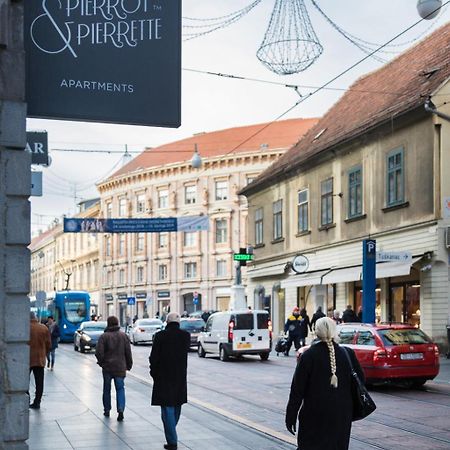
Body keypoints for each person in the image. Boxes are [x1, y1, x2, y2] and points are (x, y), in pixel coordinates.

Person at [285, 317, 364, 450]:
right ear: (335, 332)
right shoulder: (348, 354)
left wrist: (291, 416)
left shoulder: (309, 356)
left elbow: (297, 390)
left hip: (314, 415)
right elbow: (360, 381)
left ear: (316, 332)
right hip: (341, 415)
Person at [149, 312, 190, 450]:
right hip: (179, 376)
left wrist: (153, 373)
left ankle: (172, 441)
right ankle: (172, 431)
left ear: (166, 322)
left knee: (167, 409)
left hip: (163, 376)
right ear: (178, 323)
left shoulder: (160, 336)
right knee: (177, 405)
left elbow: (154, 357)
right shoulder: (185, 336)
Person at [95, 316, 133, 421]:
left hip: (107, 368)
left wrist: (101, 362)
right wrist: (129, 364)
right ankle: (120, 409)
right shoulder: (123, 336)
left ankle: (107, 409)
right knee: (120, 389)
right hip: (120, 367)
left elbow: (99, 352)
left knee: (107, 389)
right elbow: (128, 353)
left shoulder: (104, 336)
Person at [29, 312, 51, 409]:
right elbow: (48, 344)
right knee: (39, 382)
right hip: (40, 359)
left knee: (24, 382)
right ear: (36, 318)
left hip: (27, 359)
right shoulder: (44, 328)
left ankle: (26, 399)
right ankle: (37, 402)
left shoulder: (25, 327)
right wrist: (44, 352)